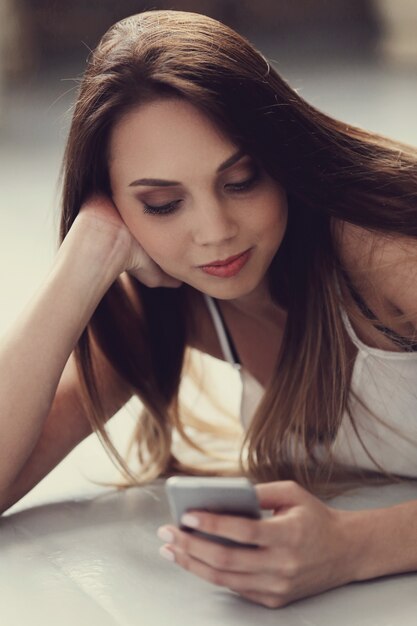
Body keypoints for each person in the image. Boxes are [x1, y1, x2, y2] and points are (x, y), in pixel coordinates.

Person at [1, 8, 417, 609]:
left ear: (282, 159)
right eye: (164, 203)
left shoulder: (379, 252)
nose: (215, 232)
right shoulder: (170, 301)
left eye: (241, 180)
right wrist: (80, 262)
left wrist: (355, 547)